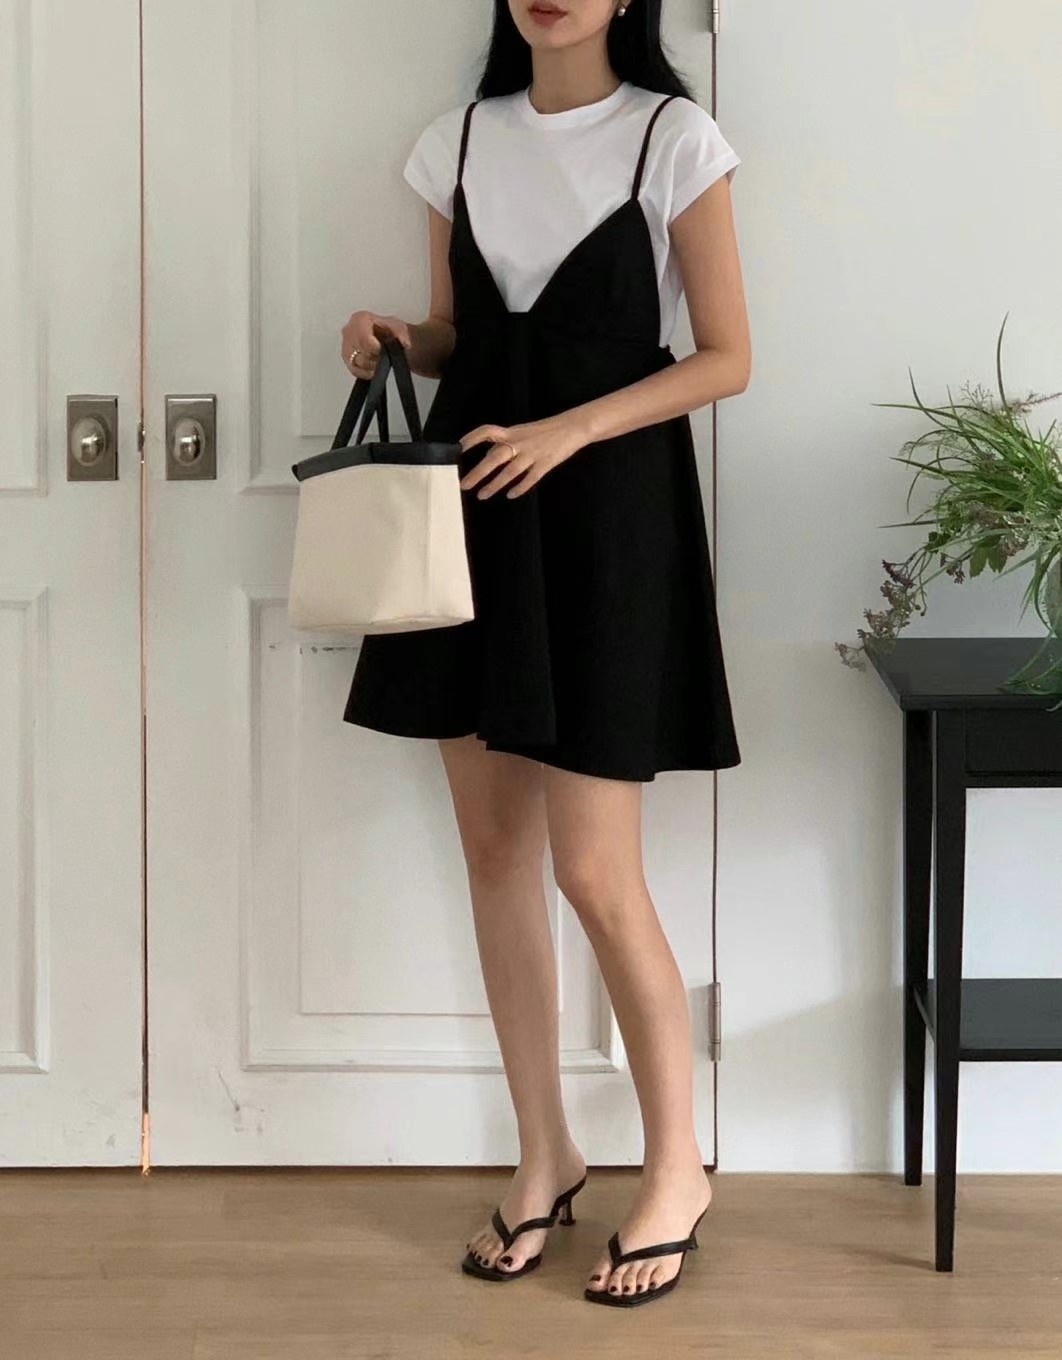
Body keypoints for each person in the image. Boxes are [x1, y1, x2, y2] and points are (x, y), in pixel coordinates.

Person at [339, 0, 750, 1310]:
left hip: (610, 525)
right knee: (495, 857)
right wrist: (398, 340)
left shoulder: (673, 139)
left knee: (595, 872)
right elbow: (462, 334)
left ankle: (676, 1168)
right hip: (471, 515)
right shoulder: (456, 140)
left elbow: (727, 359)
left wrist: (571, 430)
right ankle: (545, 1157)